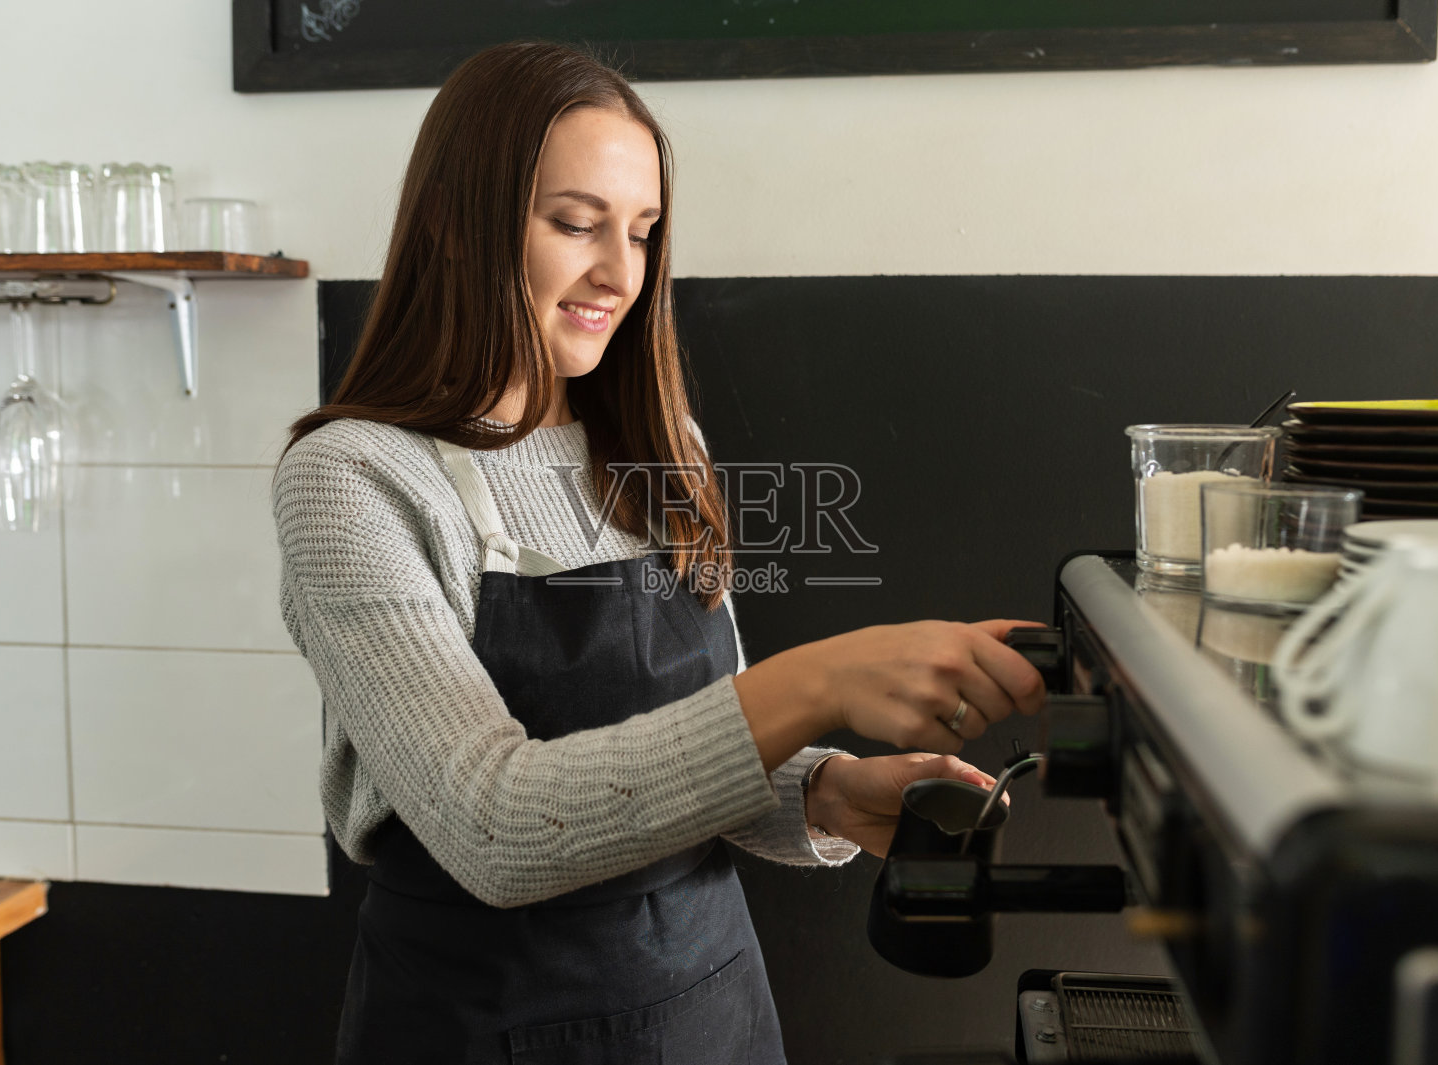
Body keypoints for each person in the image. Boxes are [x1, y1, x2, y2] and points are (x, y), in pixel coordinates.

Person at [273, 40, 1045, 1065]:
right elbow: (495, 829)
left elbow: (686, 744)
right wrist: (819, 681)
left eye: (641, 232)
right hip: (479, 1026)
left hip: (706, 1006)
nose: (619, 274)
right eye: (573, 224)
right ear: (458, 228)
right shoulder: (355, 476)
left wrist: (816, 791)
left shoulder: (660, 448)